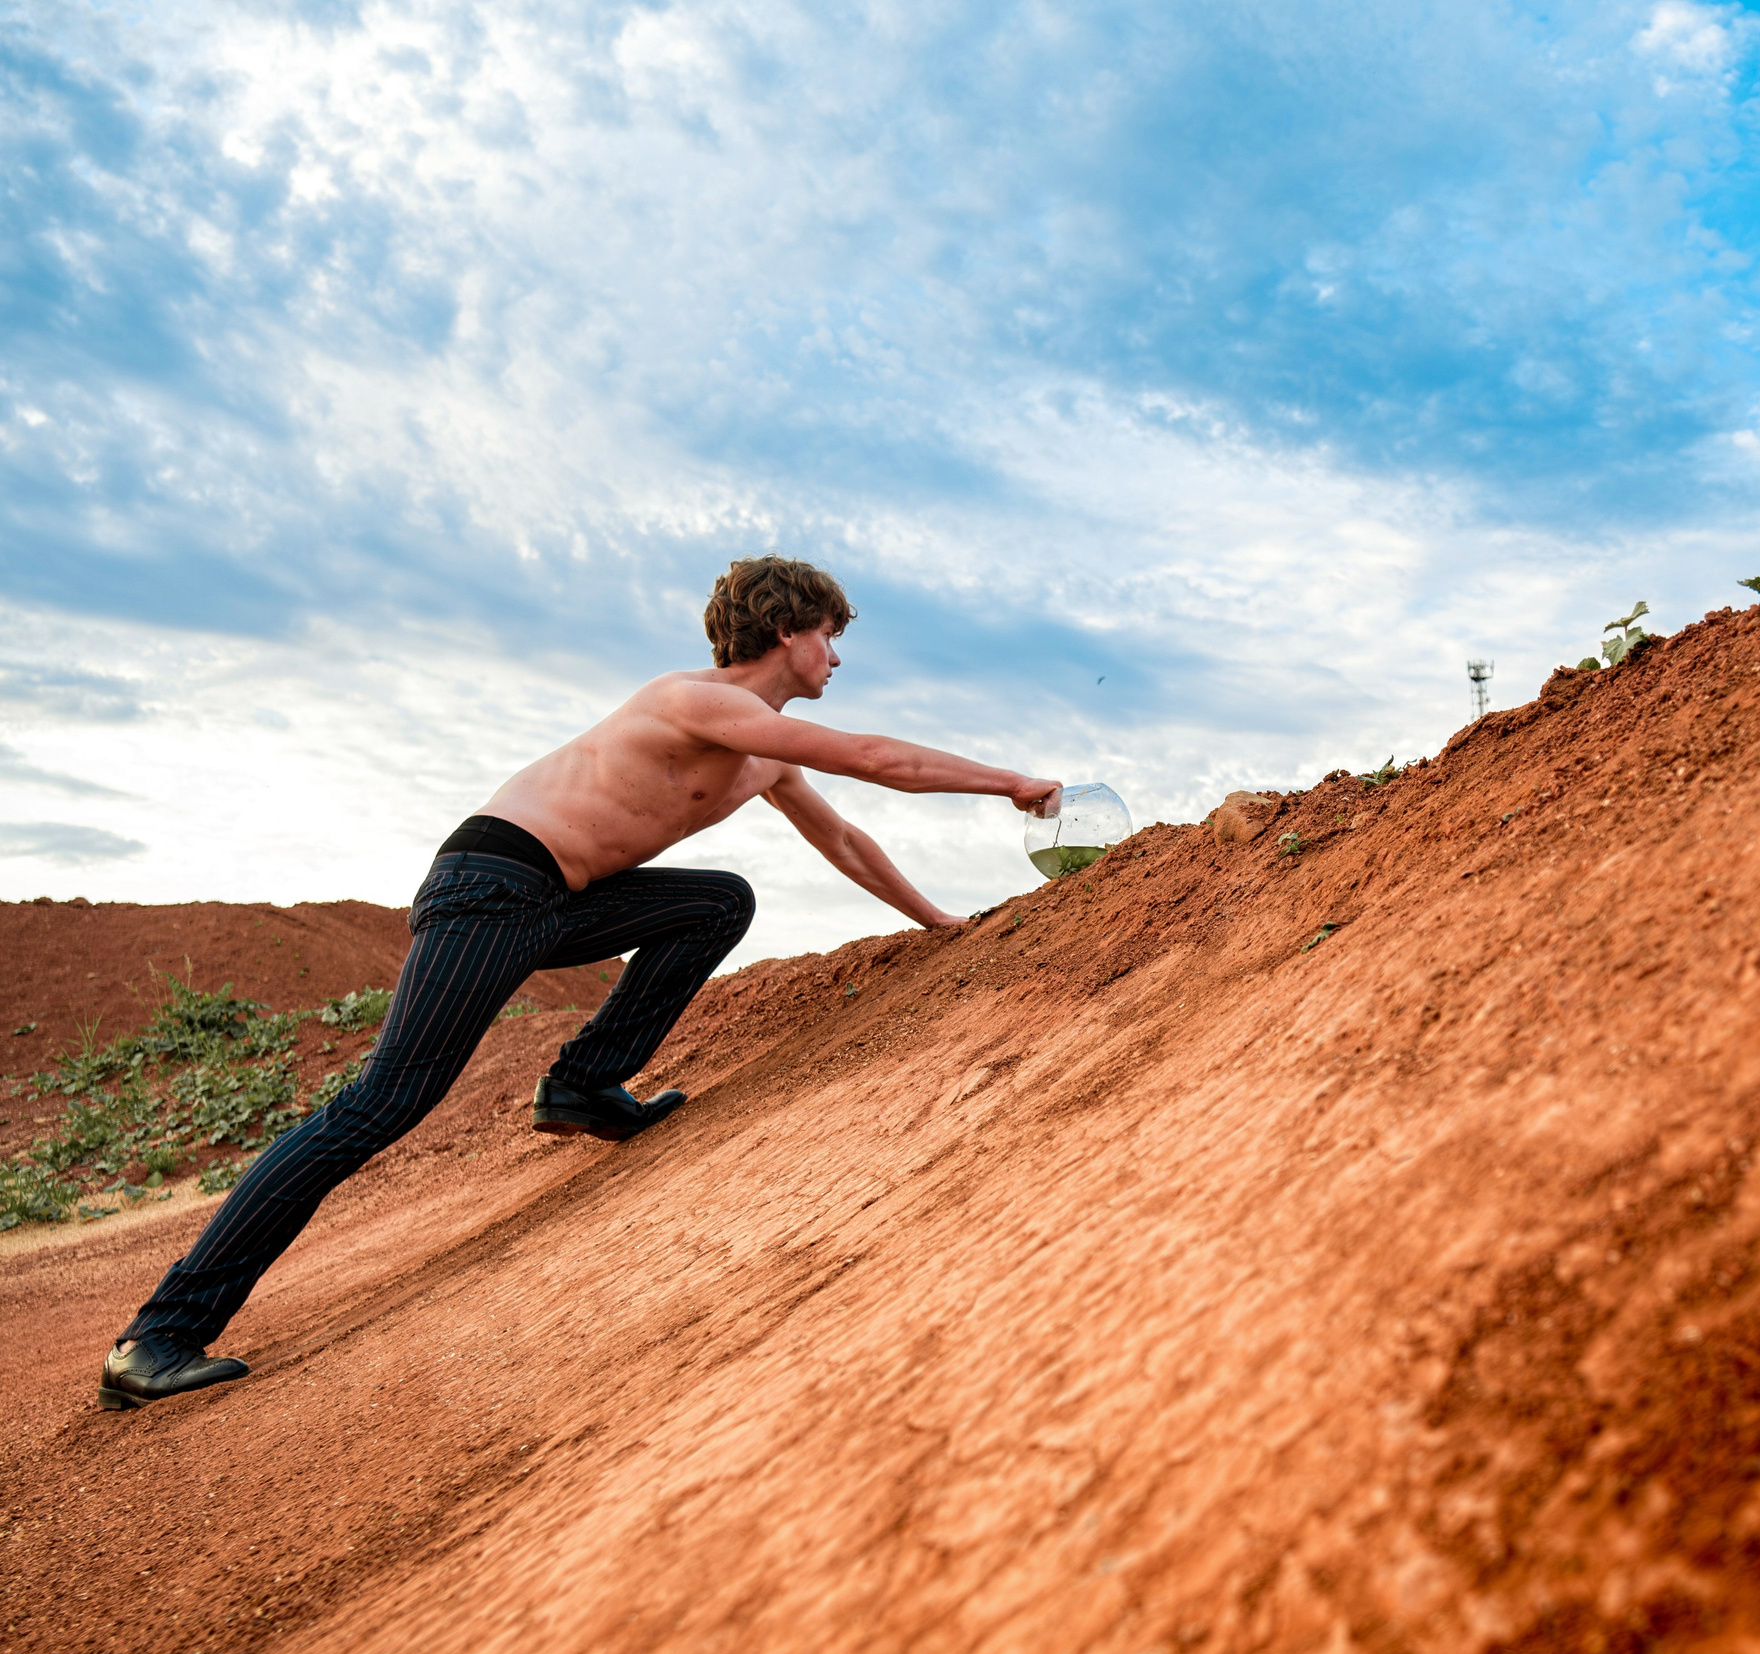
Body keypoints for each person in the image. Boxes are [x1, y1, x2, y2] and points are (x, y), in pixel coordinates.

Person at [100, 557, 1060, 1410]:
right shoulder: (695, 699)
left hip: (562, 900)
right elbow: (878, 760)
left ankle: (584, 1083)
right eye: (829, 638)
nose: (837, 659)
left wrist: (940, 923)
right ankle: (161, 1336)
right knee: (384, 1103)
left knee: (716, 900)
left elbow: (846, 836)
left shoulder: (760, 753)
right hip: (489, 887)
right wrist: (1009, 779)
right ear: (786, 632)